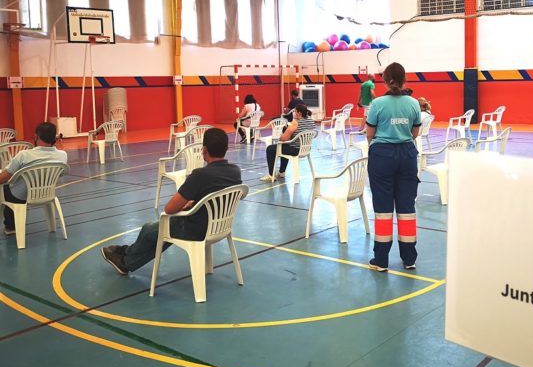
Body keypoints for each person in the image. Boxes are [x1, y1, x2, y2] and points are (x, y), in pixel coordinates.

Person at [101, 128, 241, 275]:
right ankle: (126, 257)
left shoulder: (200, 175)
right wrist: (195, 203)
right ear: (226, 148)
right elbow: (218, 197)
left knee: (149, 229)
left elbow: (170, 208)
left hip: (196, 230)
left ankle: (125, 259)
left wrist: (187, 203)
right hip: (220, 228)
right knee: (160, 233)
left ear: (204, 149)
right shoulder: (235, 171)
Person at [365, 63, 421, 272]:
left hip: (382, 157)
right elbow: (415, 134)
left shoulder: (377, 104)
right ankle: (409, 258)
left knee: (383, 209)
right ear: (404, 79)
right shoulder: (414, 103)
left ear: (384, 80)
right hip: (407, 156)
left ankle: (381, 260)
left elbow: (370, 134)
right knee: (407, 208)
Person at [0, 122, 68, 236]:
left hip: (20, 196)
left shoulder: (24, 155)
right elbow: (60, 174)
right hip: (46, 194)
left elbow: (4, 177)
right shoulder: (62, 155)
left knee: (5, 188)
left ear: (36, 136)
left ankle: (11, 226)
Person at [261, 103, 317, 182]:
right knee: (285, 146)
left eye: (295, 111)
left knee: (270, 149)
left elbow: (284, 138)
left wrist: (280, 136)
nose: (293, 113)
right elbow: (315, 135)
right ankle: (281, 172)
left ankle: (271, 175)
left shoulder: (295, 123)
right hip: (306, 149)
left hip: (295, 150)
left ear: (299, 113)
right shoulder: (311, 121)